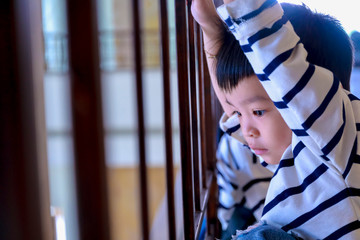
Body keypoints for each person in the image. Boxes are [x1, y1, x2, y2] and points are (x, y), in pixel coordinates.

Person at [191, 0, 360, 239]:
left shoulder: (331, 129)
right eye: (241, 114)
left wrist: (242, 10)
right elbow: (234, 101)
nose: (246, 129)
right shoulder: (303, 156)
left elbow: (275, 56)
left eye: (258, 112)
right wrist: (209, 27)